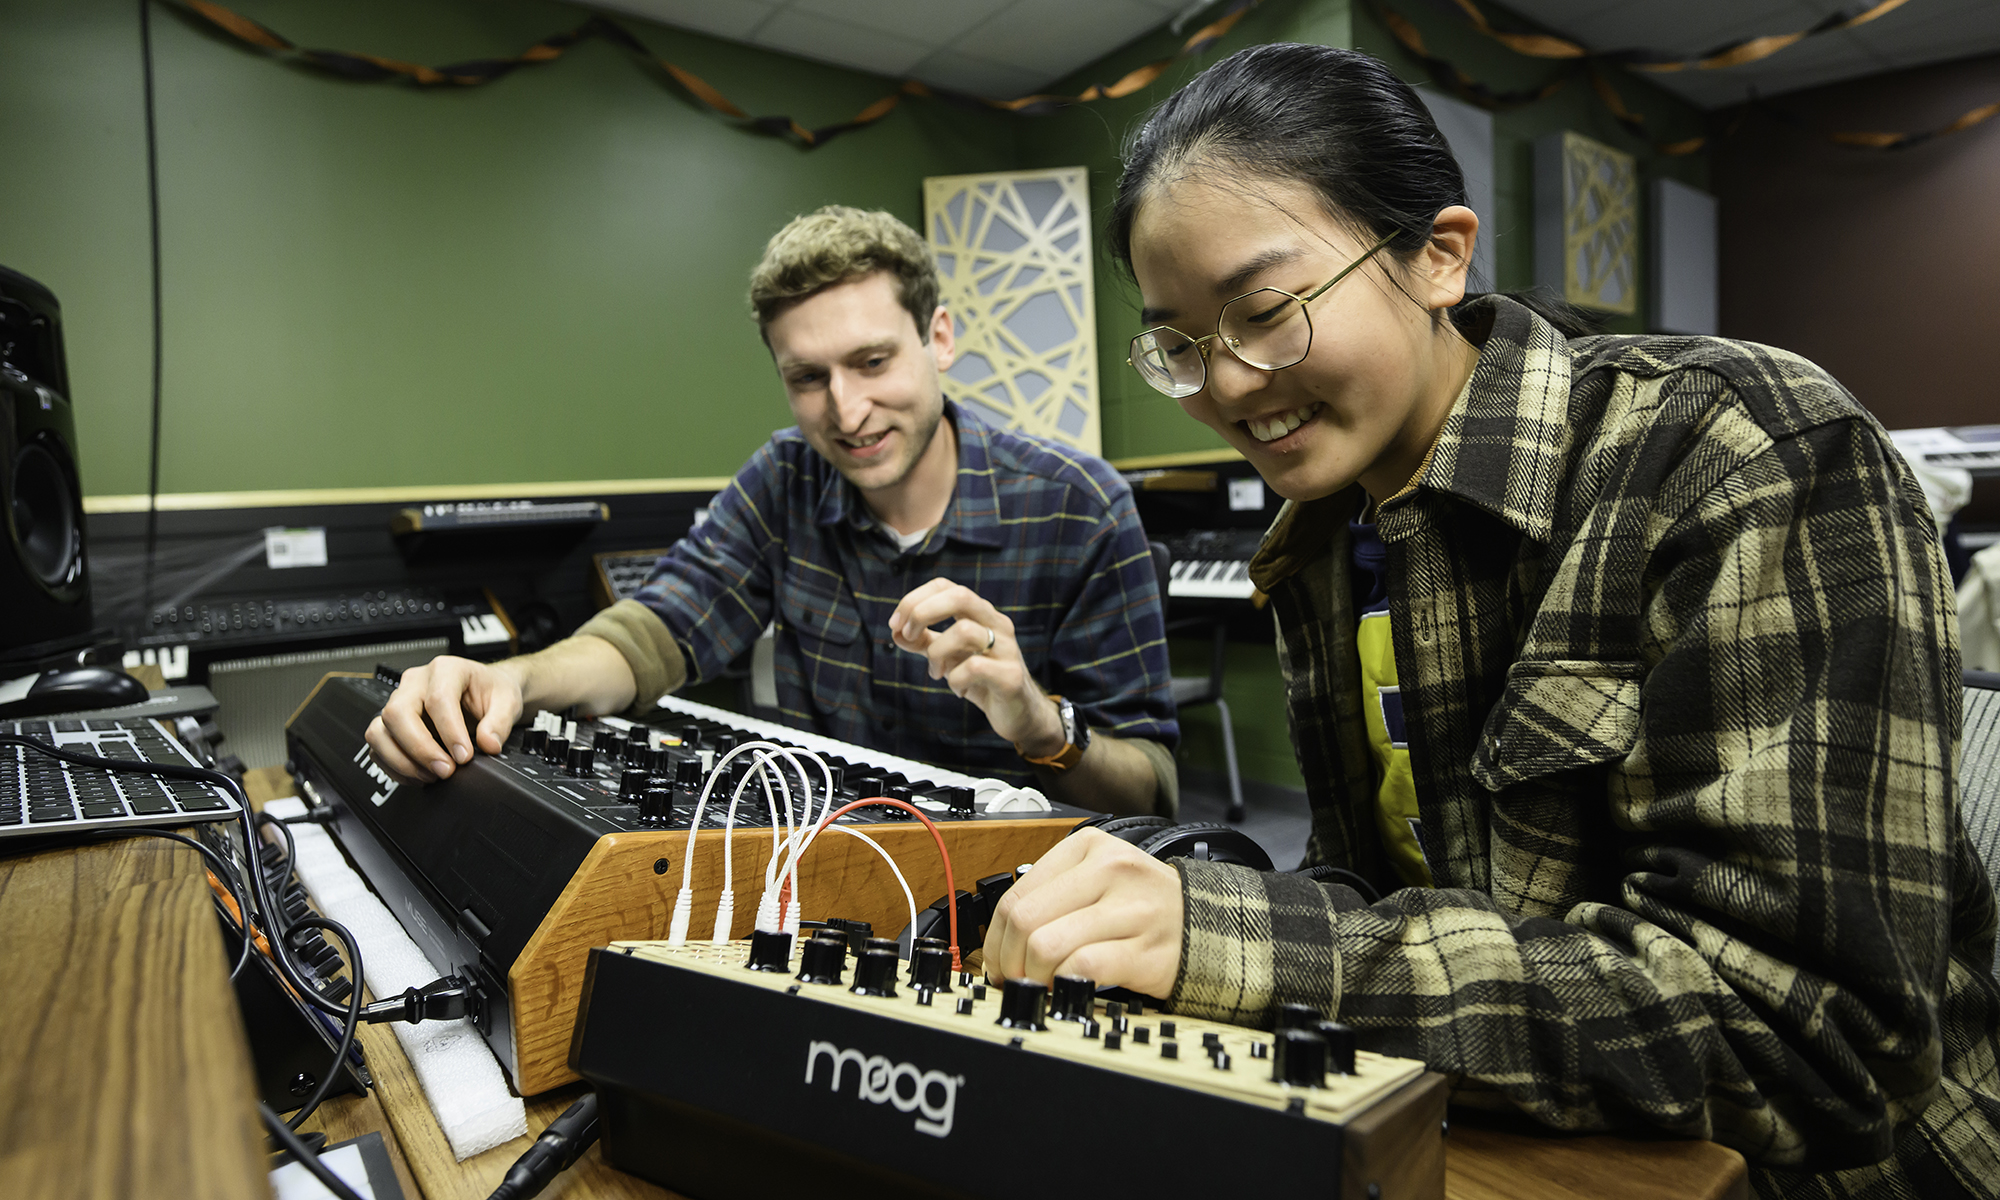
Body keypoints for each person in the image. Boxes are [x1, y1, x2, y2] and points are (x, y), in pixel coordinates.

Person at [982, 42, 2000, 1197]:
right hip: (1536, 1131)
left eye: (1262, 311)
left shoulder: (1740, 452)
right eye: (1178, 343)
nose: (1223, 385)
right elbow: (1387, 898)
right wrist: (1185, 914)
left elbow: (1810, 1043)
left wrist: (1241, 946)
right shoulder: (1322, 540)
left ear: (1436, 257)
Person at [366, 206, 1178, 815]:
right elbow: (653, 636)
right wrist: (507, 680)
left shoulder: (1081, 506)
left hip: (1016, 896)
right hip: (816, 856)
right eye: (809, 379)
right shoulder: (783, 478)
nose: (847, 410)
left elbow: (1150, 791)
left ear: (938, 338)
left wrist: (1040, 724)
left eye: (872, 361)